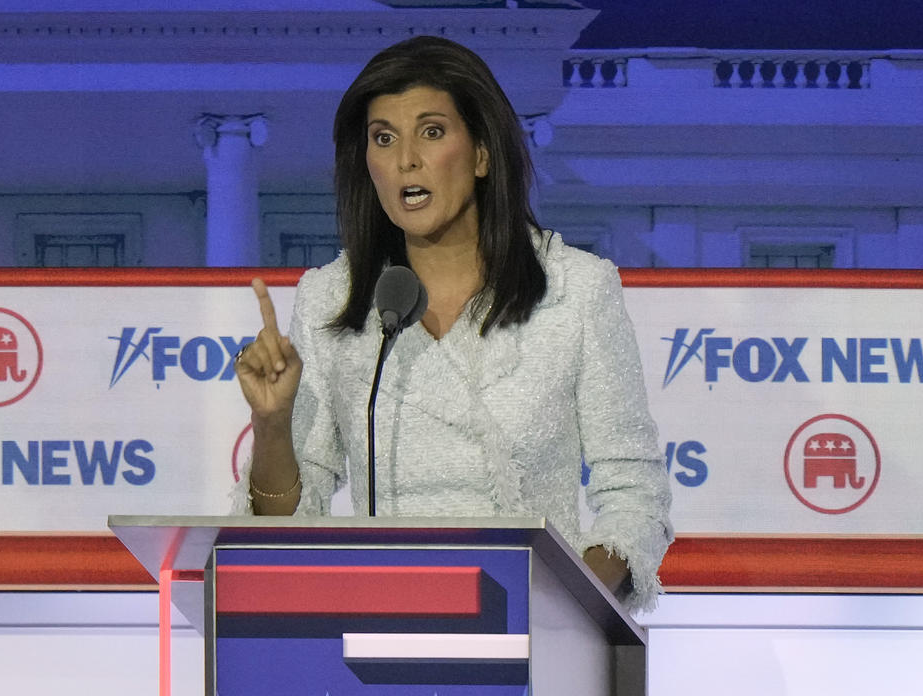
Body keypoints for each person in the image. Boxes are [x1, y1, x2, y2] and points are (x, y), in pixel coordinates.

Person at [230, 36, 673, 612]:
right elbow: (292, 519)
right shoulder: (330, 301)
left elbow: (633, 497)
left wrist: (561, 609)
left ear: (483, 153)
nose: (406, 159)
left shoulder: (575, 289)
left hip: (534, 634)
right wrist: (271, 423)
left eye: (431, 132)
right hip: (377, 626)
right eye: (383, 139)